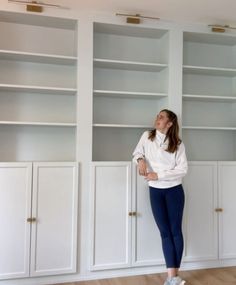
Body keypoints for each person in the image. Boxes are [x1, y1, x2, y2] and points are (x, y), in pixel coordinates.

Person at [133, 109, 188, 285]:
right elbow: (136, 153)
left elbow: (183, 170)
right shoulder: (147, 136)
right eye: (158, 115)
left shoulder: (178, 144)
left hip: (174, 191)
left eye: (162, 117)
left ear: (170, 123)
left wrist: (159, 175)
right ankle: (174, 278)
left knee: (175, 231)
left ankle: (173, 277)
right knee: (164, 233)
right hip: (155, 191)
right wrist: (140, 160)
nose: (158, 119)